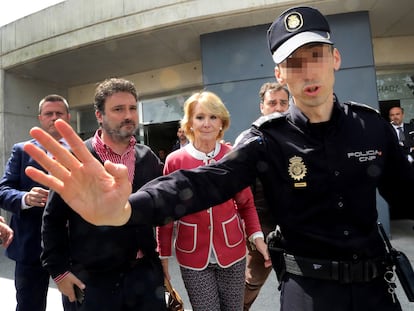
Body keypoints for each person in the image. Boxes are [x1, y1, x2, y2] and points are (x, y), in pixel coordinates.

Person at [22, 6, 414, 311]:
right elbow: (201, 181)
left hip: (375, 290)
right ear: (280, 72)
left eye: (316, 54)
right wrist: (126, 209)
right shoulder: (267, 139)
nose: (307, 69)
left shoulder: (371, 127)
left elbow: (407, 194)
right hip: (308, 292)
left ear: (336, 59)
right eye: (294, 62)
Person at [41, 78, 166, 311]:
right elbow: (53, 219)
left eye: (131, 108)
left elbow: (160, 208)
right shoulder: (77, 159)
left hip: (144, 277)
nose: (128, 115)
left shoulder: (147, 158)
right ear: (99, 115)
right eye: (118, 109)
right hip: (92, 282)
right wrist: (58, 271)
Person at [157, 91, 269, 311]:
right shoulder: (175, 161)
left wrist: (257, 238)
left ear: (222, 122)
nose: (206, 123)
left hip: (233, 250)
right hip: (192, 254)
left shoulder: (233, 156)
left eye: (213, 117)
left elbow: (246, 203)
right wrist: (163, 256)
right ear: (189, 122)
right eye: (199, 117)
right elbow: (166, 212)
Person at [0, 94, 71, 311]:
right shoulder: (22, 150)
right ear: (40, 118)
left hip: (73, 245)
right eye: (48, 114)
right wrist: (24, 198)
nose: (54, 118)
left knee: (78, 303)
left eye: (59, 113)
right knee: (29, 305)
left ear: (68, 117)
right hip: (30, 245)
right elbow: (3, 190)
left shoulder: (83, 150)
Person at [243, 82, 289, 311]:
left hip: (296, 229)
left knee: (298, 286)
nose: (278, 108)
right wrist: (252, 232)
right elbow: (239, 191)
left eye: (283, 103)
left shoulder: (301, 137)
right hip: (263, 229)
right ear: (262, 106)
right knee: (251, 283)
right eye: (272, 103)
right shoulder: (248, 139)